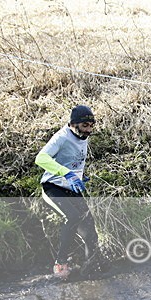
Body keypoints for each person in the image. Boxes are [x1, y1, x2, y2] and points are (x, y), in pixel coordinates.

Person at [36, 104, 102, 279]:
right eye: (84, 126)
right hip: (53, 187)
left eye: (91, 126)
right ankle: (60, 263)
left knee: (90, 227)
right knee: (73, 216)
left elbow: (74, 160)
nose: (88, 130)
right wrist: (67, 173)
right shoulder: (61, 137)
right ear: (73, 124)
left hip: (71, 186)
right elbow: (40, 158)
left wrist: (80, 176)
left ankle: (91, 267)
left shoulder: (83, 136)